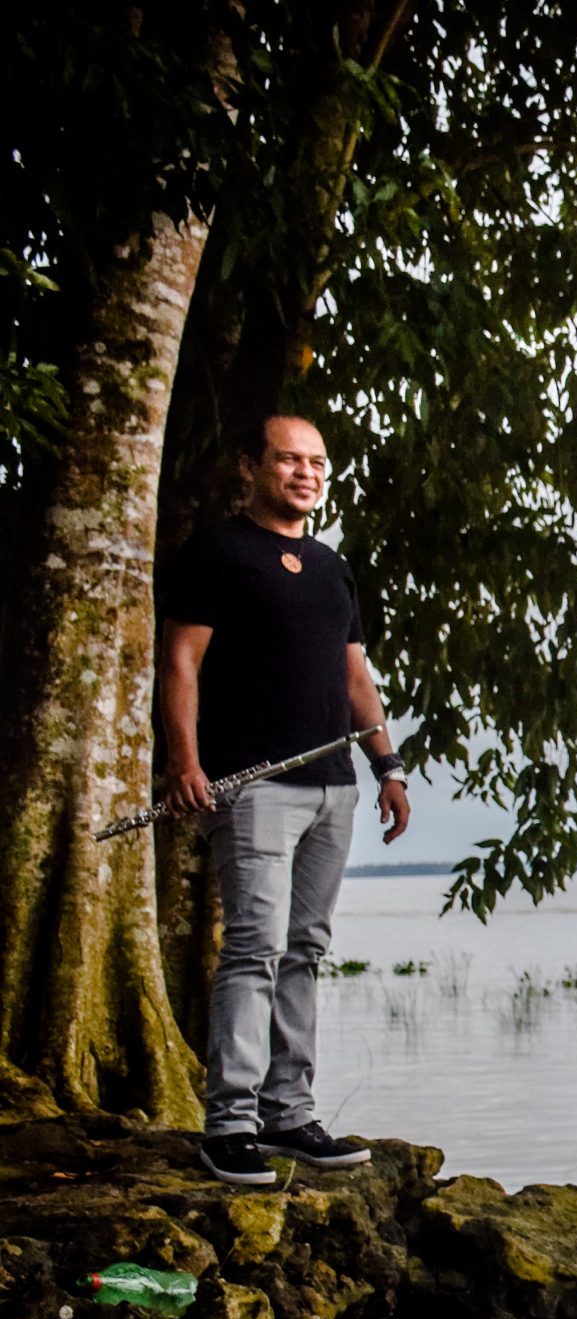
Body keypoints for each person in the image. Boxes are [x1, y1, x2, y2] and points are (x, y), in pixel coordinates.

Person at [161, 415, 412, 1187]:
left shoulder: (333, 567)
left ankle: (289, 1112)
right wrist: (184, 761)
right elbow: (180, 661)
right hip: (252, 783)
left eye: (316, 462)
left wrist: (387, 765)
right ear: (252, 465)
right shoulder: (219, 553)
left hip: (333, 783)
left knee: (305, 949)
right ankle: (229, 1123)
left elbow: (355, 677)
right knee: (254, 948)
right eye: (288, 459)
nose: (305, 473)